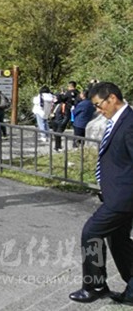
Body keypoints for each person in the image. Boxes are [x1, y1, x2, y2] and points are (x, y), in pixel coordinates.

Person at [71, 82, 133, 304]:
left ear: (112, 98)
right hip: (117, 195)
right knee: (118, 240)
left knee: (91, 233)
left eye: (99, 105)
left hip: (123, 198)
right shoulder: (119, 120)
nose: (98, 110)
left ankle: (94, 285)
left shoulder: (130, 124)